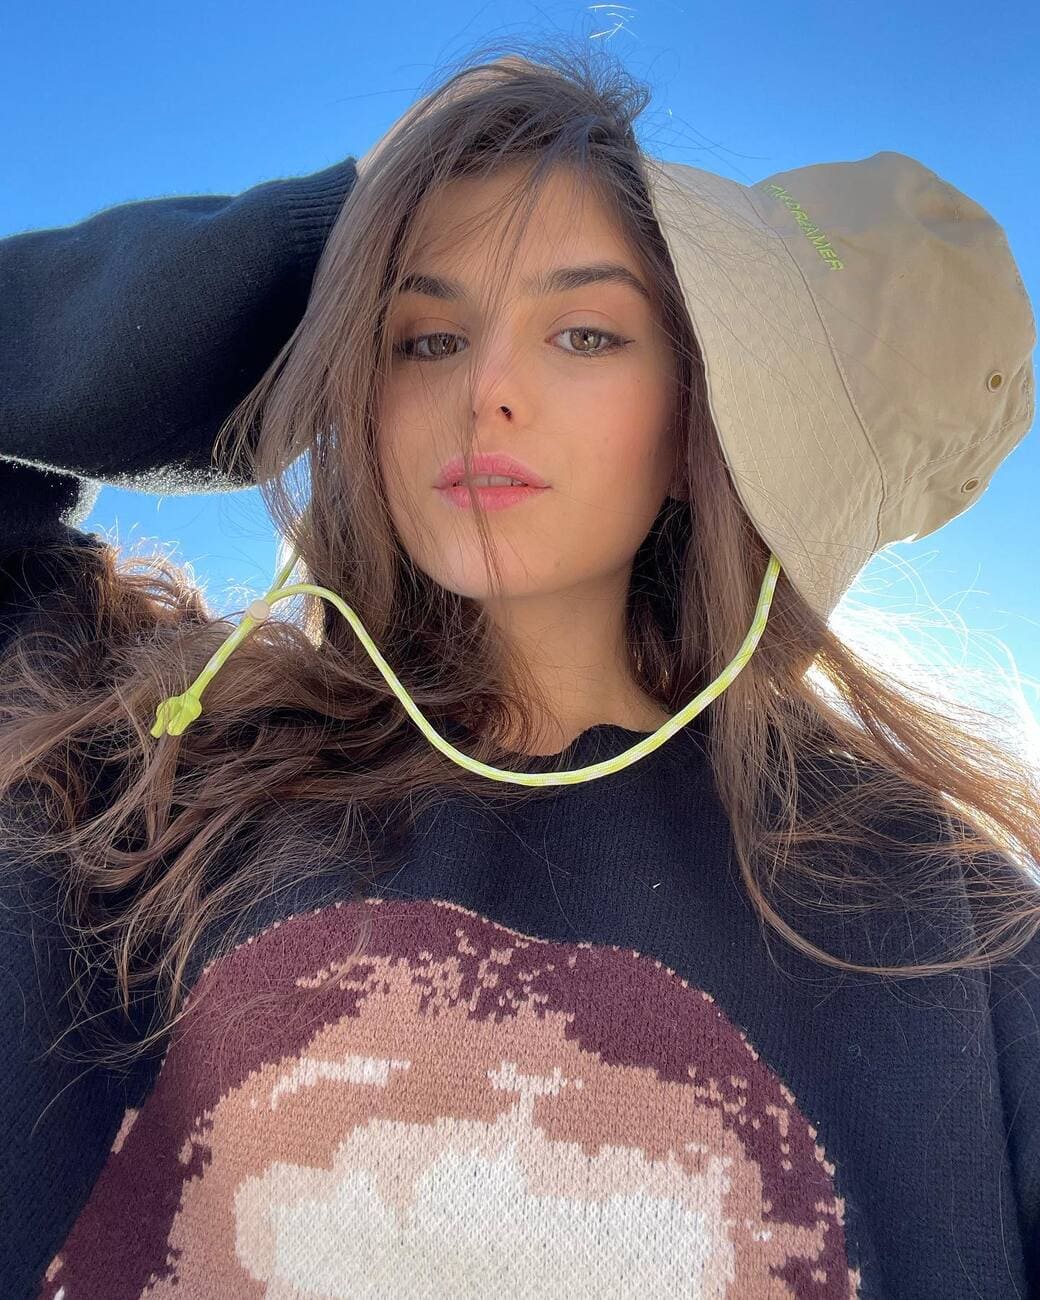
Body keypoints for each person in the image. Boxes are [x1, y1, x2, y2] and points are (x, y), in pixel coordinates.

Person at [1, 41, 1038, 1299]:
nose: (485, 391)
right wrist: (325, 235)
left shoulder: (944, 929)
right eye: (425, 338)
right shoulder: (143, 785)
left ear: (697, 422)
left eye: (584, 333)